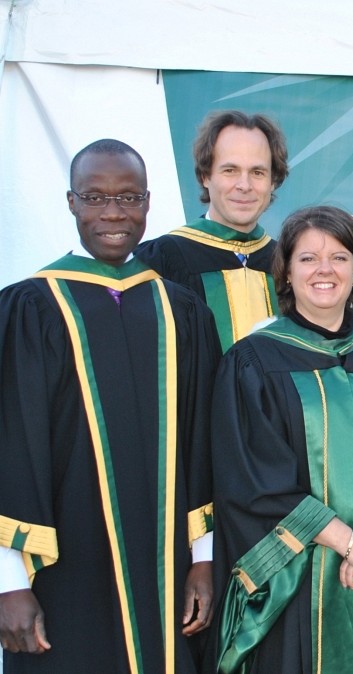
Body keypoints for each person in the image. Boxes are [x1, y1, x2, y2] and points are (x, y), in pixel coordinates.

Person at [0, 139, 221, 673]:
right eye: (95, 198)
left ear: (149, 203)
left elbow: (203, 442)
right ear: (71, 202)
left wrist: (205, 560)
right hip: (63, 570)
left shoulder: (181, 310)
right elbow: (11, 446)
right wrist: (8, 582)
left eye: (129, 198)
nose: (114, 214)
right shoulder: (31, 307)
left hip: (167, 565)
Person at [212, 206, 353, 674]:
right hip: (298, 584)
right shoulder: (253, 362)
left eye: (339, 258)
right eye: (308, 259)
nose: (324, 270)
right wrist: (347, 542)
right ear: (287, 271)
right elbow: (254, 478)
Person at [135, 110, 289, 350]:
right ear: (205, 175)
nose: (244, 185)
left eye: (257, 172)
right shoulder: (159, 261)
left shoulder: (289, 265)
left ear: (273, 181)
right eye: (230, 170)